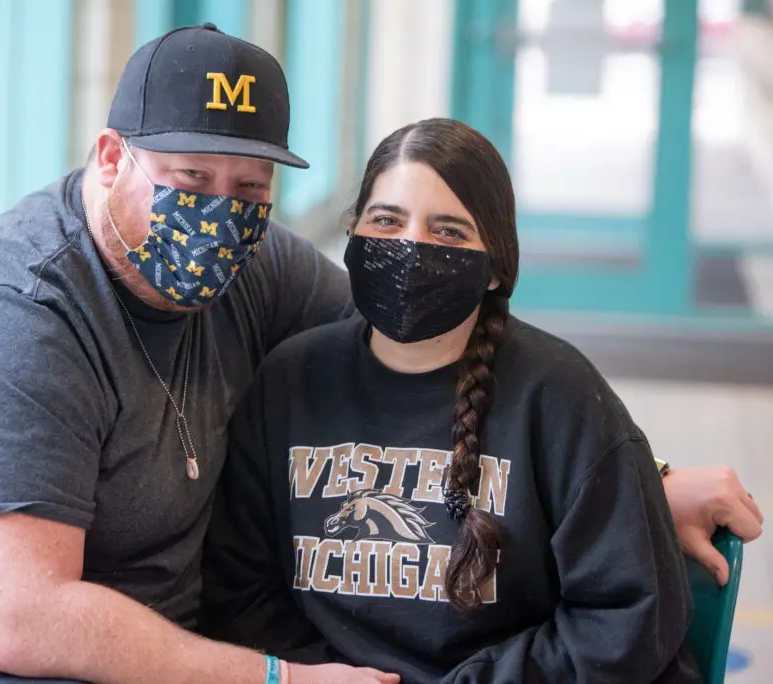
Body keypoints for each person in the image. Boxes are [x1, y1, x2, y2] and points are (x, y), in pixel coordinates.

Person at [0, 23, 760, 684]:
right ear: (108, 157)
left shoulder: (245, 269)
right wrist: (272, 675)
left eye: (248, 185)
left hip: (146, 636)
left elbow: (425, 352)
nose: (217, 212)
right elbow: (20, 621)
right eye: (187, 178)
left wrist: (629, 480)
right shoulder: (9, 322)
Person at [199, 119, 721, 683]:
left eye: (448, 232)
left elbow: (627, 621)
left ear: (496, 266)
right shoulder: (289, 382)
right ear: (352, 233)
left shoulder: (559, 395)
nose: (410, 246)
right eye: (386, 220)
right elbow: (239, 593)